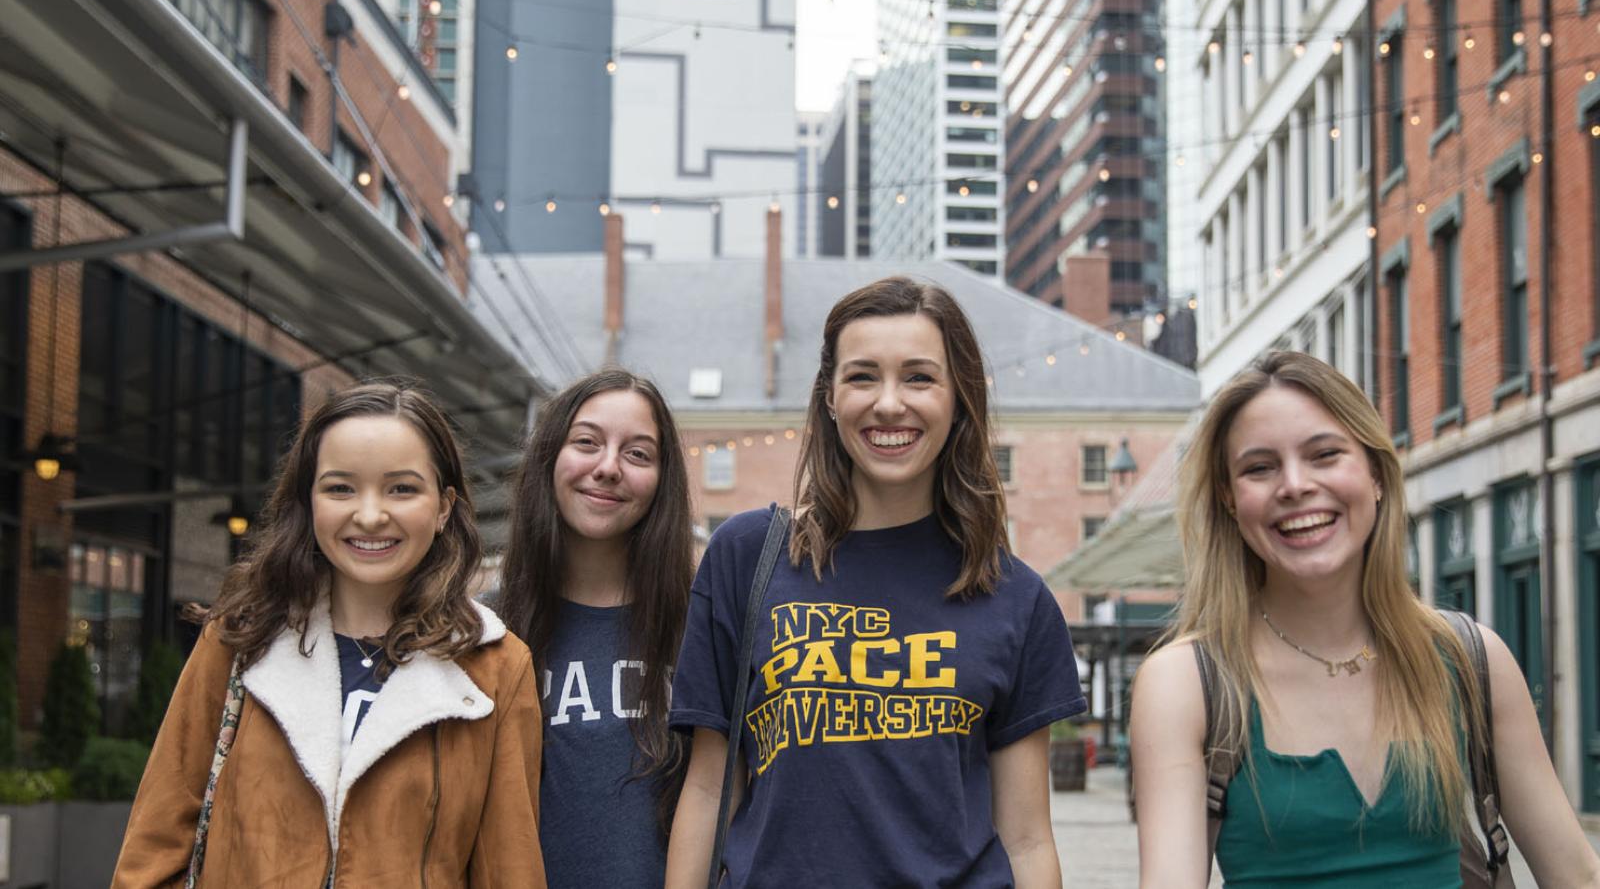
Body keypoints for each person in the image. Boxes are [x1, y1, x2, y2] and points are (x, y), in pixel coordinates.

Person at [664, 276, 1087, 888]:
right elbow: (707, 791)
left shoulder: (1016, 599)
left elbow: (1026, 838)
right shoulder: (748, 557)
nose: (890, 403)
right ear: (830, 397)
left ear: (958, 396)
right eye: (863, 376)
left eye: (919, 377)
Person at [1130, 351, 1600, 888]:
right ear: (1231, 500)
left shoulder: (1470, 658)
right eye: (1259, 468)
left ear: (1376, 474)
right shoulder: (1186, 682)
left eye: (1325, 454)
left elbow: (1577, 876)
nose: (1294, 485)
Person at [113, 381, 545, 888]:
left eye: (401, 488)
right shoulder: (240, 640)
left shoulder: (494, 666)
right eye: (340, 487)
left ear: (444, 506)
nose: (369, 515)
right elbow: (153, 850)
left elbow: (508, 870)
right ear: (309, 500)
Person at [497, 369, 695, 888]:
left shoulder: (702, 627)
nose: (608, 468)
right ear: (549, 458)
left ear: (661, 482)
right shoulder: (486, 630)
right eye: (587, 442)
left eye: (638, 454)